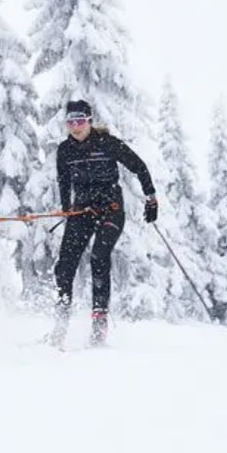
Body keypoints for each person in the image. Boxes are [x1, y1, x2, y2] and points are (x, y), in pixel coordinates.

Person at [50, 99, 158, 347]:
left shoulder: (107, 143)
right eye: (70, 122)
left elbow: (138, 166)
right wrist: (67, 210)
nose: (75, 127)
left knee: (99, 256)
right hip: (82, 211)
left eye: (80, 121)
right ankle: (60, 324)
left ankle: (99, 326)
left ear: (89, 121)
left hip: (111, 209)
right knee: (65, 264)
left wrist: (151, 199)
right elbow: (64, 182)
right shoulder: (65, 150)